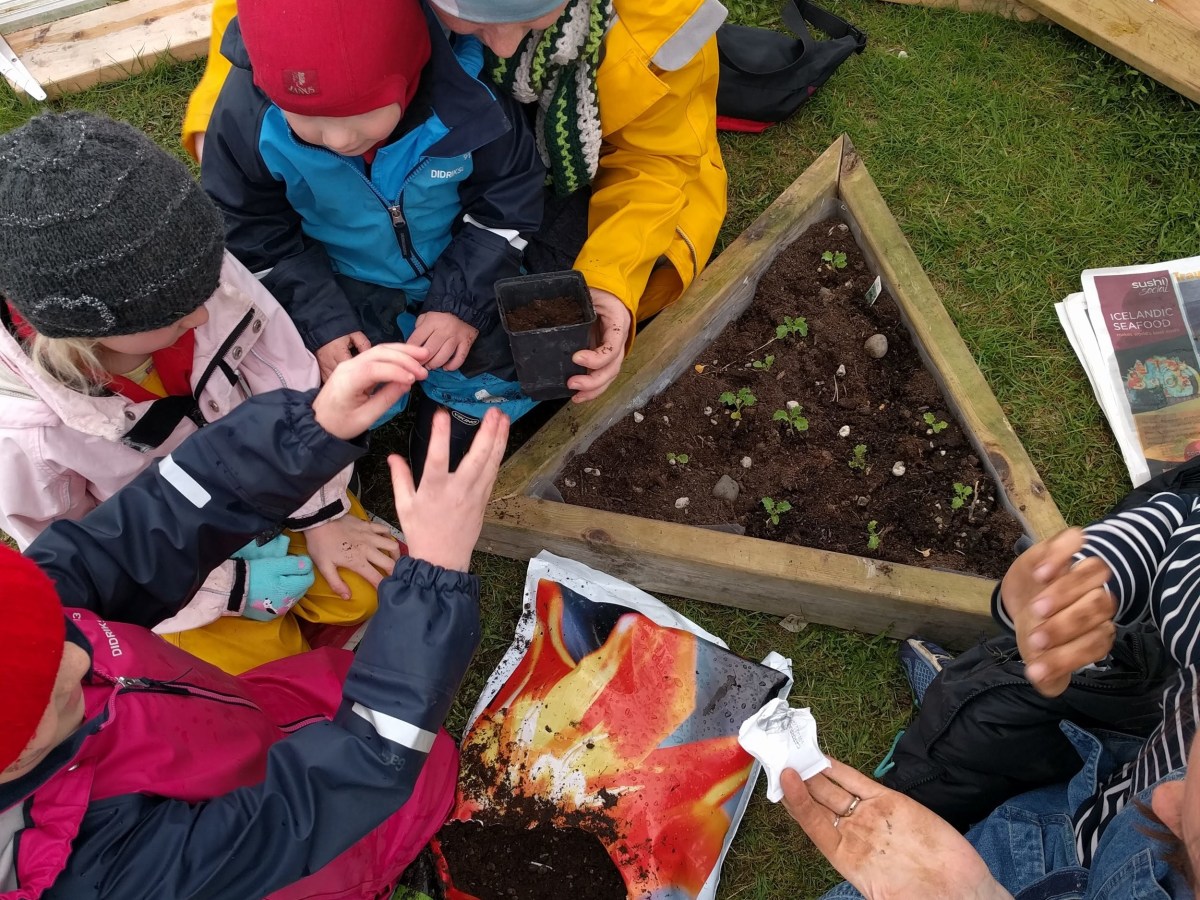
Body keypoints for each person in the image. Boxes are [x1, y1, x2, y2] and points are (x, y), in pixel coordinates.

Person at [0, 342, 510, 899]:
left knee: (380, 728)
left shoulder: (23, 624)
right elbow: (326, 799)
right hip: (305, 854)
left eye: (57, 632)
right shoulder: (100, 874)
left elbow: (155, 523)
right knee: (395, 800)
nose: (82, 653)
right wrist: (434, 577)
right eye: (49, 691)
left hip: (241, 717)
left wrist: (308, 433)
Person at [0, 111, 399, 674]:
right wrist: (231, 586)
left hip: (269, 489)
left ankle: (301, 605)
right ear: (86, 329)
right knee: (263, 675)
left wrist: (320, 516)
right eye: (178, 313)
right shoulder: (24, 432)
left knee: (364, 587)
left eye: (209, 284)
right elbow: (82, 567)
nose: (206, 310)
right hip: (175, 574)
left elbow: (288, 381)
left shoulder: (190, 268)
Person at [182, 0, 728, 406]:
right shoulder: (271, 115)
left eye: (535, 12)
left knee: (531, 332)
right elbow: (288, 28)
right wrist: (236, 123)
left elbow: (657, 164)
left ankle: (473, 403)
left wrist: (612, 280)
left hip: (530, 204)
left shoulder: (665, 17)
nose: (506, 46)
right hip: (379, 235)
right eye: (472, 13)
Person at [780, 499, 1200, 899]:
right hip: (1099, 788)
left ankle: (970, 697)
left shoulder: (1174, 798)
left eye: (1190, 865)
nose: (1165, 795)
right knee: (979, 714)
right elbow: (1175, 529)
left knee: (971, 718)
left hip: (1052, 846)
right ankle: (974, 697)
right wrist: (1078, 587)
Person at [200, 0, 545, 473]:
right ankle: (351, 429)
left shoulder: (468, 97)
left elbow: (508, 200)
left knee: (513, 353)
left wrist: (461, 304)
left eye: (359, 115)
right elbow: (250, 229)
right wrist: (324, 325)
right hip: (342, 279)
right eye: (310, 123)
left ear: (410, 71)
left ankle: (461, 407)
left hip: (460, 261)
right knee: (318, 376)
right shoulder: (246, 119)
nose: (340, 139)